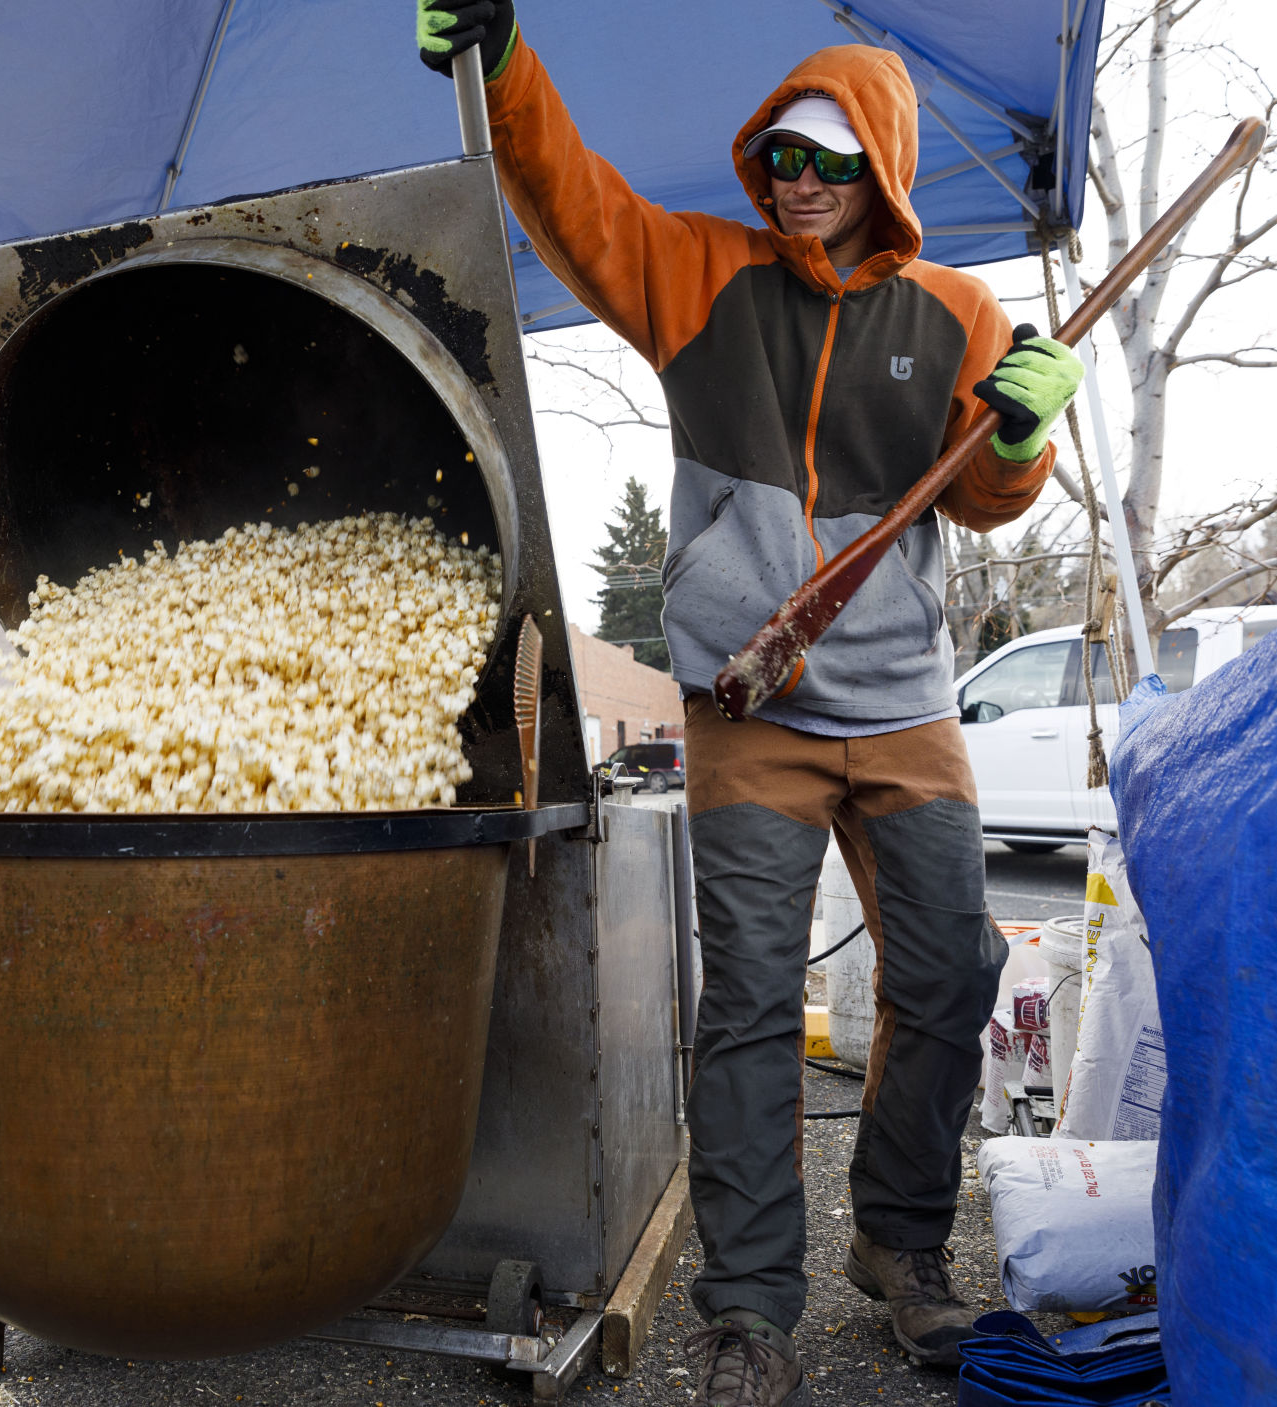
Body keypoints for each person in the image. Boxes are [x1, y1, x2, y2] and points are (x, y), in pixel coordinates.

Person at [417, 7, 1084, 1405]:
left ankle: (897, 1248)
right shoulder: (695, 277)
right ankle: (746, 1311)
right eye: (780, 152)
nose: (795, 178)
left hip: (902, 697)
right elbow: (568, 191)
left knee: (951, 977)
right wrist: (501, 56)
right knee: (749, 1015)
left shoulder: (957, 312)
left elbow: (981, 494)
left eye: (827, 161)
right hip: (751, 698)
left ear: (882, 174)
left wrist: (1017, 436)